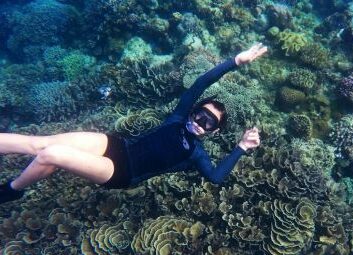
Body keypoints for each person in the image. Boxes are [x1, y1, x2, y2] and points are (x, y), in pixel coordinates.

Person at [0, 43, 268, 204]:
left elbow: (216, 177)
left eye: (209, 123)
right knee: (40, 144)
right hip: (117, 145)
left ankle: (12, 190)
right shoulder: (177, 117)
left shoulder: (196, 154)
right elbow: (200, 83)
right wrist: (234, 62)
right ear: (192, 111)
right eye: (200, 114)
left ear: (214, 131)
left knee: (51, 154)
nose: (200, 123)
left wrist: (241, 147)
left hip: (120, 172)